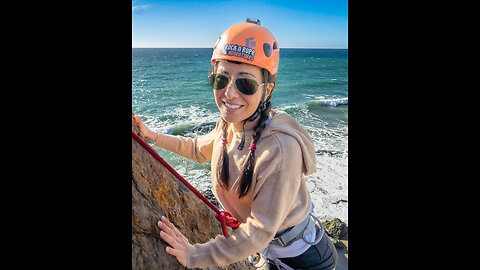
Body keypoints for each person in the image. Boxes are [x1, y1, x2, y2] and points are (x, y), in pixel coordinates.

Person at [133, 18, 337, 270]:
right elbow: (198, 149)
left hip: (303, 258)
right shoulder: (229, 124)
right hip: (273, 249)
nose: (229, 93)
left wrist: (194, 254)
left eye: (245, 84)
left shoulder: (280, 148)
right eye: (221, 79)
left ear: (268, 89)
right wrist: (153, 136)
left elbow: (258, 232)